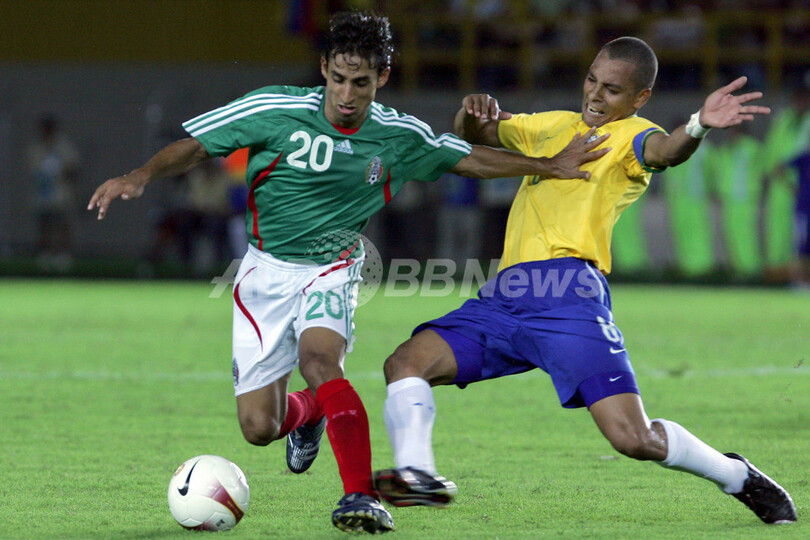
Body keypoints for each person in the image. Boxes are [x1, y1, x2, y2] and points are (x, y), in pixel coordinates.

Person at [87, 11, 609, 535]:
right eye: (338, 78)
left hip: (332, 268)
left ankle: (359, 494)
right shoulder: (275, 108)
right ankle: (311, 413)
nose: (346, 94)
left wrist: (549, 165)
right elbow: (198, 145)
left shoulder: (397, 135)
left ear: (382, 77)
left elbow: (467, 158)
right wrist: (139, 176)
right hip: (264, 274)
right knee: (259, 427)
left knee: (320, 361)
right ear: (324, 69)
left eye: (361, 82)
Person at [374, 36, 797, 526]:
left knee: (633, 438)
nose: (595, 94)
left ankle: (735, 475)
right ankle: (419, 474)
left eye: (612, 89)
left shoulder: (632, 135)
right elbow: (477, 134)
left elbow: (665, 151)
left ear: (639, 99)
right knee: (405, 363)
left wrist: (699, 124)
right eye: (592, 80)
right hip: (504, 298)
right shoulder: (552, 126)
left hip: (568, 298)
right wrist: (471, 112)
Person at [27, 114, 81, 272]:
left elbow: (73, 169)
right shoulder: (36, 147)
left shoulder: (64, 147)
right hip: (43, 194)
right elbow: (33, 169)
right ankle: (45, 255)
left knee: (62, 225)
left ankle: (63, 256)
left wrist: (62, 170)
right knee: (44, 225)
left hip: (60, 194)